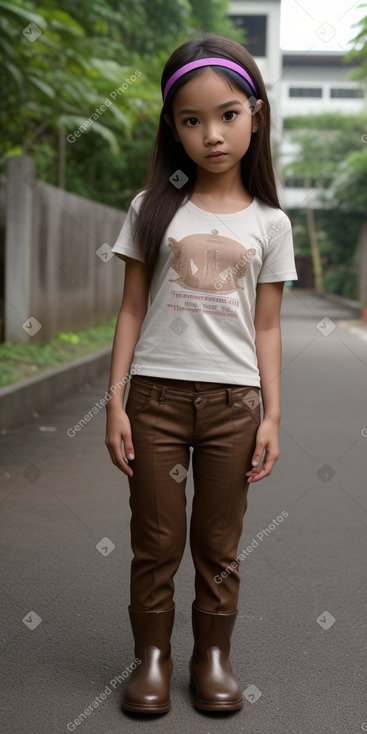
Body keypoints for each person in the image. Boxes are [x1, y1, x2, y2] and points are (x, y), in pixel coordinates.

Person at [105, 33, 298, 715]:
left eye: (226, 115)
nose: (211, 134)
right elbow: (130, 309)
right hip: (153, 398)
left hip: (233, 404)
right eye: (191, 120)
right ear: (173, 127)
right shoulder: (150, 210)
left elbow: (267, 326)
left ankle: (211, 657)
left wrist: (271, 415)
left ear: (255, 113)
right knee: (154, 542)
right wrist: (115, 401)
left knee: (218, 545)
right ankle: (150, 660)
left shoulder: (271, 223)